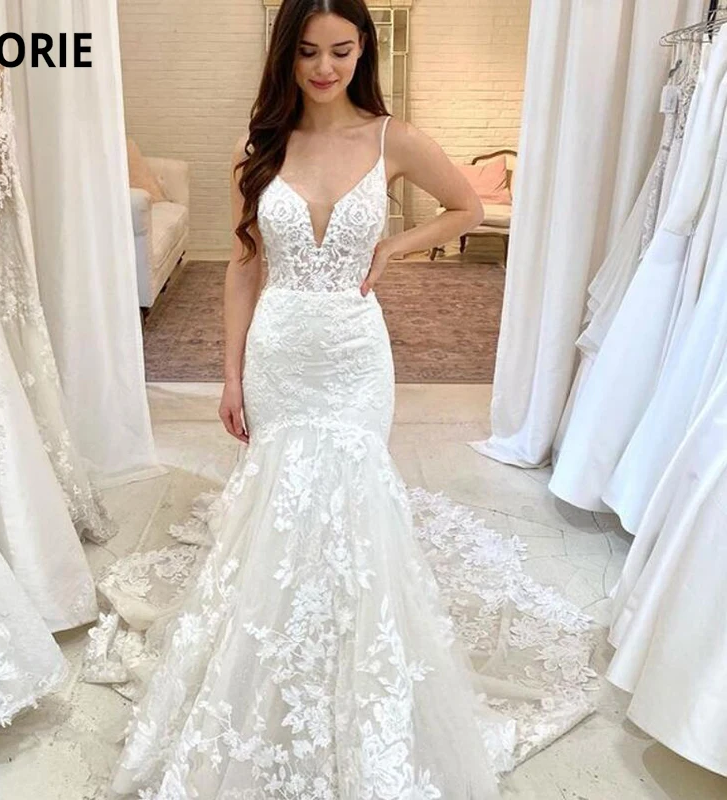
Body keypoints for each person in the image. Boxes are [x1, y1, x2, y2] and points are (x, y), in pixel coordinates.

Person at [100, 1, 598, 796]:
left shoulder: (391, 138)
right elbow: (242, 267)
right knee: (281, 504)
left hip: (355, 359)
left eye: (339, 50)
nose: (324, 68)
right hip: (280, 351)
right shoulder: (260, 148)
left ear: (363, 49)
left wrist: (396, 245)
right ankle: (273, 665)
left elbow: (467, 208)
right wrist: (231, 374)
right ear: (286, 56)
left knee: (356, 502)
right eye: (307, 52)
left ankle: (354, 662)